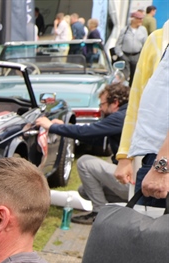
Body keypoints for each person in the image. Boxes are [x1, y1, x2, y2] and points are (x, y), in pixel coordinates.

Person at [100, 26, 169, 263]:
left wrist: (161, 164)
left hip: (162, 161)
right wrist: (126, 155)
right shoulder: (158, 38)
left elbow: (142, 99)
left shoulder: (159, 39)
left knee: (149, 259)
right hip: (156, 155)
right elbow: (140, 98)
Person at [34, 83, 130, 224]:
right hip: (132, 180)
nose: (100, 109)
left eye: (102, 104)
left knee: (85, 162)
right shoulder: (126, 115)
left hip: (131, 181)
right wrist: (63, 127)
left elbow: (86, 131)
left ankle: (99, 213)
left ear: (115, 103)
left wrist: (52, 126)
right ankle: (118, 211)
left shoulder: (120, 117)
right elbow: (94, 138)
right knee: (84, 191)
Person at [116, 11, 148, 80]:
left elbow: (145, 45)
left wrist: (142, 56)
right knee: (124, 75)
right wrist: (121, 55)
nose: (141, 20)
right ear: (133, 19)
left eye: (141, 19)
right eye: (139, 19)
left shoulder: (143, 30)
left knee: (135, 76)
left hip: (136, 56)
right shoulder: (125, 30)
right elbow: (118, 44)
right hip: (125, 55)